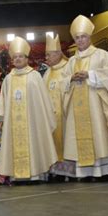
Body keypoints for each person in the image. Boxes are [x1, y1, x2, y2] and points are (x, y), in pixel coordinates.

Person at [61, 15, 108, 182]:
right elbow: (62, 82)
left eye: (83, 37)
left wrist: (90, 75)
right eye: (77, 38)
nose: (80, 41)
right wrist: (71, 78)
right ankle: (85, 173)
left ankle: (103, 172)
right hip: (77, 108)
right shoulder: (71, 61)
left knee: (98, 135)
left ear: (89, 37)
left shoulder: (101, 55)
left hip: (95, 106)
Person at [0, 36, 58, 182]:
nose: (17, 59)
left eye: (21, 56)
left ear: (27, 58)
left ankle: (35, 174)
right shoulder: (8, 79)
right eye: (15, 57)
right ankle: (16, 176)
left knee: (34, 139)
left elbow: (43, 102)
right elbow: (3, 101)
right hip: (13, 124)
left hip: (33, 123)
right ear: (12, 59)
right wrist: (1, 117)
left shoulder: (35, 76)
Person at [42, 34, 72, 181]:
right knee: (53, 144)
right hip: (51, 117)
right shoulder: (47, 73)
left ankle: (70, 173)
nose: (46, 58)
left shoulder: (68, 68)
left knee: (68, 143)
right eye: (46, 55)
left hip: (66, 115)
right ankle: (58, 173)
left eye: (49, 54)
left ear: (59, 53)